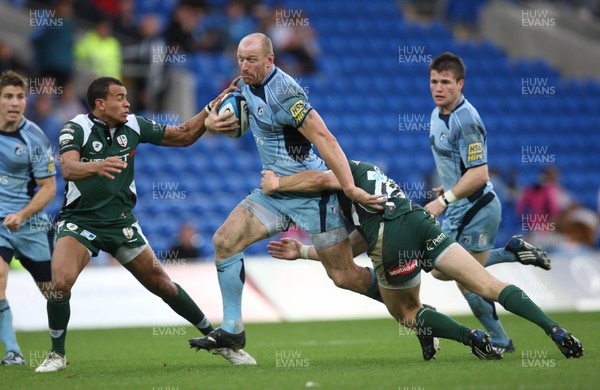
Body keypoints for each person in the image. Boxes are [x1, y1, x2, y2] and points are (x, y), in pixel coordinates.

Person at [34, 76, 256, 373]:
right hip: (80, 221)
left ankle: (220, 340)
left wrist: (209, 108)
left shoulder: (134, 125)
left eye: (127, 96)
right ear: (100, 104)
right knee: (59, 284)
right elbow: (69, 168)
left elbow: (184, 135)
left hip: (121, 222)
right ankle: (57, 354)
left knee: (162, 284)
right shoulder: (75, 127)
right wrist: (97, 166)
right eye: (120, 97)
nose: (127, 102)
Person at [261, 161, 583, 360]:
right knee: (487, 284)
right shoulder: (366, 170)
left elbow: (320, 183)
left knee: (407, 311)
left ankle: (472, 337)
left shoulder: (337, 177)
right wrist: (303, 251)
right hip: (419, 220)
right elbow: (356, 242)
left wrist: (279, 184)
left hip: (392, 237)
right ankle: (556, 330)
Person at [188, 33, 382, 359]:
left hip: (311, 194)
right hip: (273, 192)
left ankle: (412, 307)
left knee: (344, 275)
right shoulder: (244, 83)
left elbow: (325, 137)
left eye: (251, 60)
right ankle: (233, 330)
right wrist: (211, 120)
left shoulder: (287, 93)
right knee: (224, 240)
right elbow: (218, 106)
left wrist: (347, 187)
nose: (244, 65)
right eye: (240, 59)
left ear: (270, 60)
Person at [423, 52, 552, 353]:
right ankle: (500, 335)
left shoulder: (465, 120)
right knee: (448, 272)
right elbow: (461, 167)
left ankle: (502, 336)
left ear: (460, 84)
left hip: (476, 206)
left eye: (445, 82)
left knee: (454, 272)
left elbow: (480, 174)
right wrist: (451, 184)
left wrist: (444, 199)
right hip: (460, 204)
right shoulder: (435, 113)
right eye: (433, 81)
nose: (438, 88)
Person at [0, 70, 56, 365]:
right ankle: (14, 351)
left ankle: (58, 350)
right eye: (8, 96)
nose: (15, 102)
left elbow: (49, 188)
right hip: (0, 224)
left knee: (54, 294)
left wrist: (22, 214)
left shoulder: (34, 137)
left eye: (20, 96)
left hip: (30, 223)